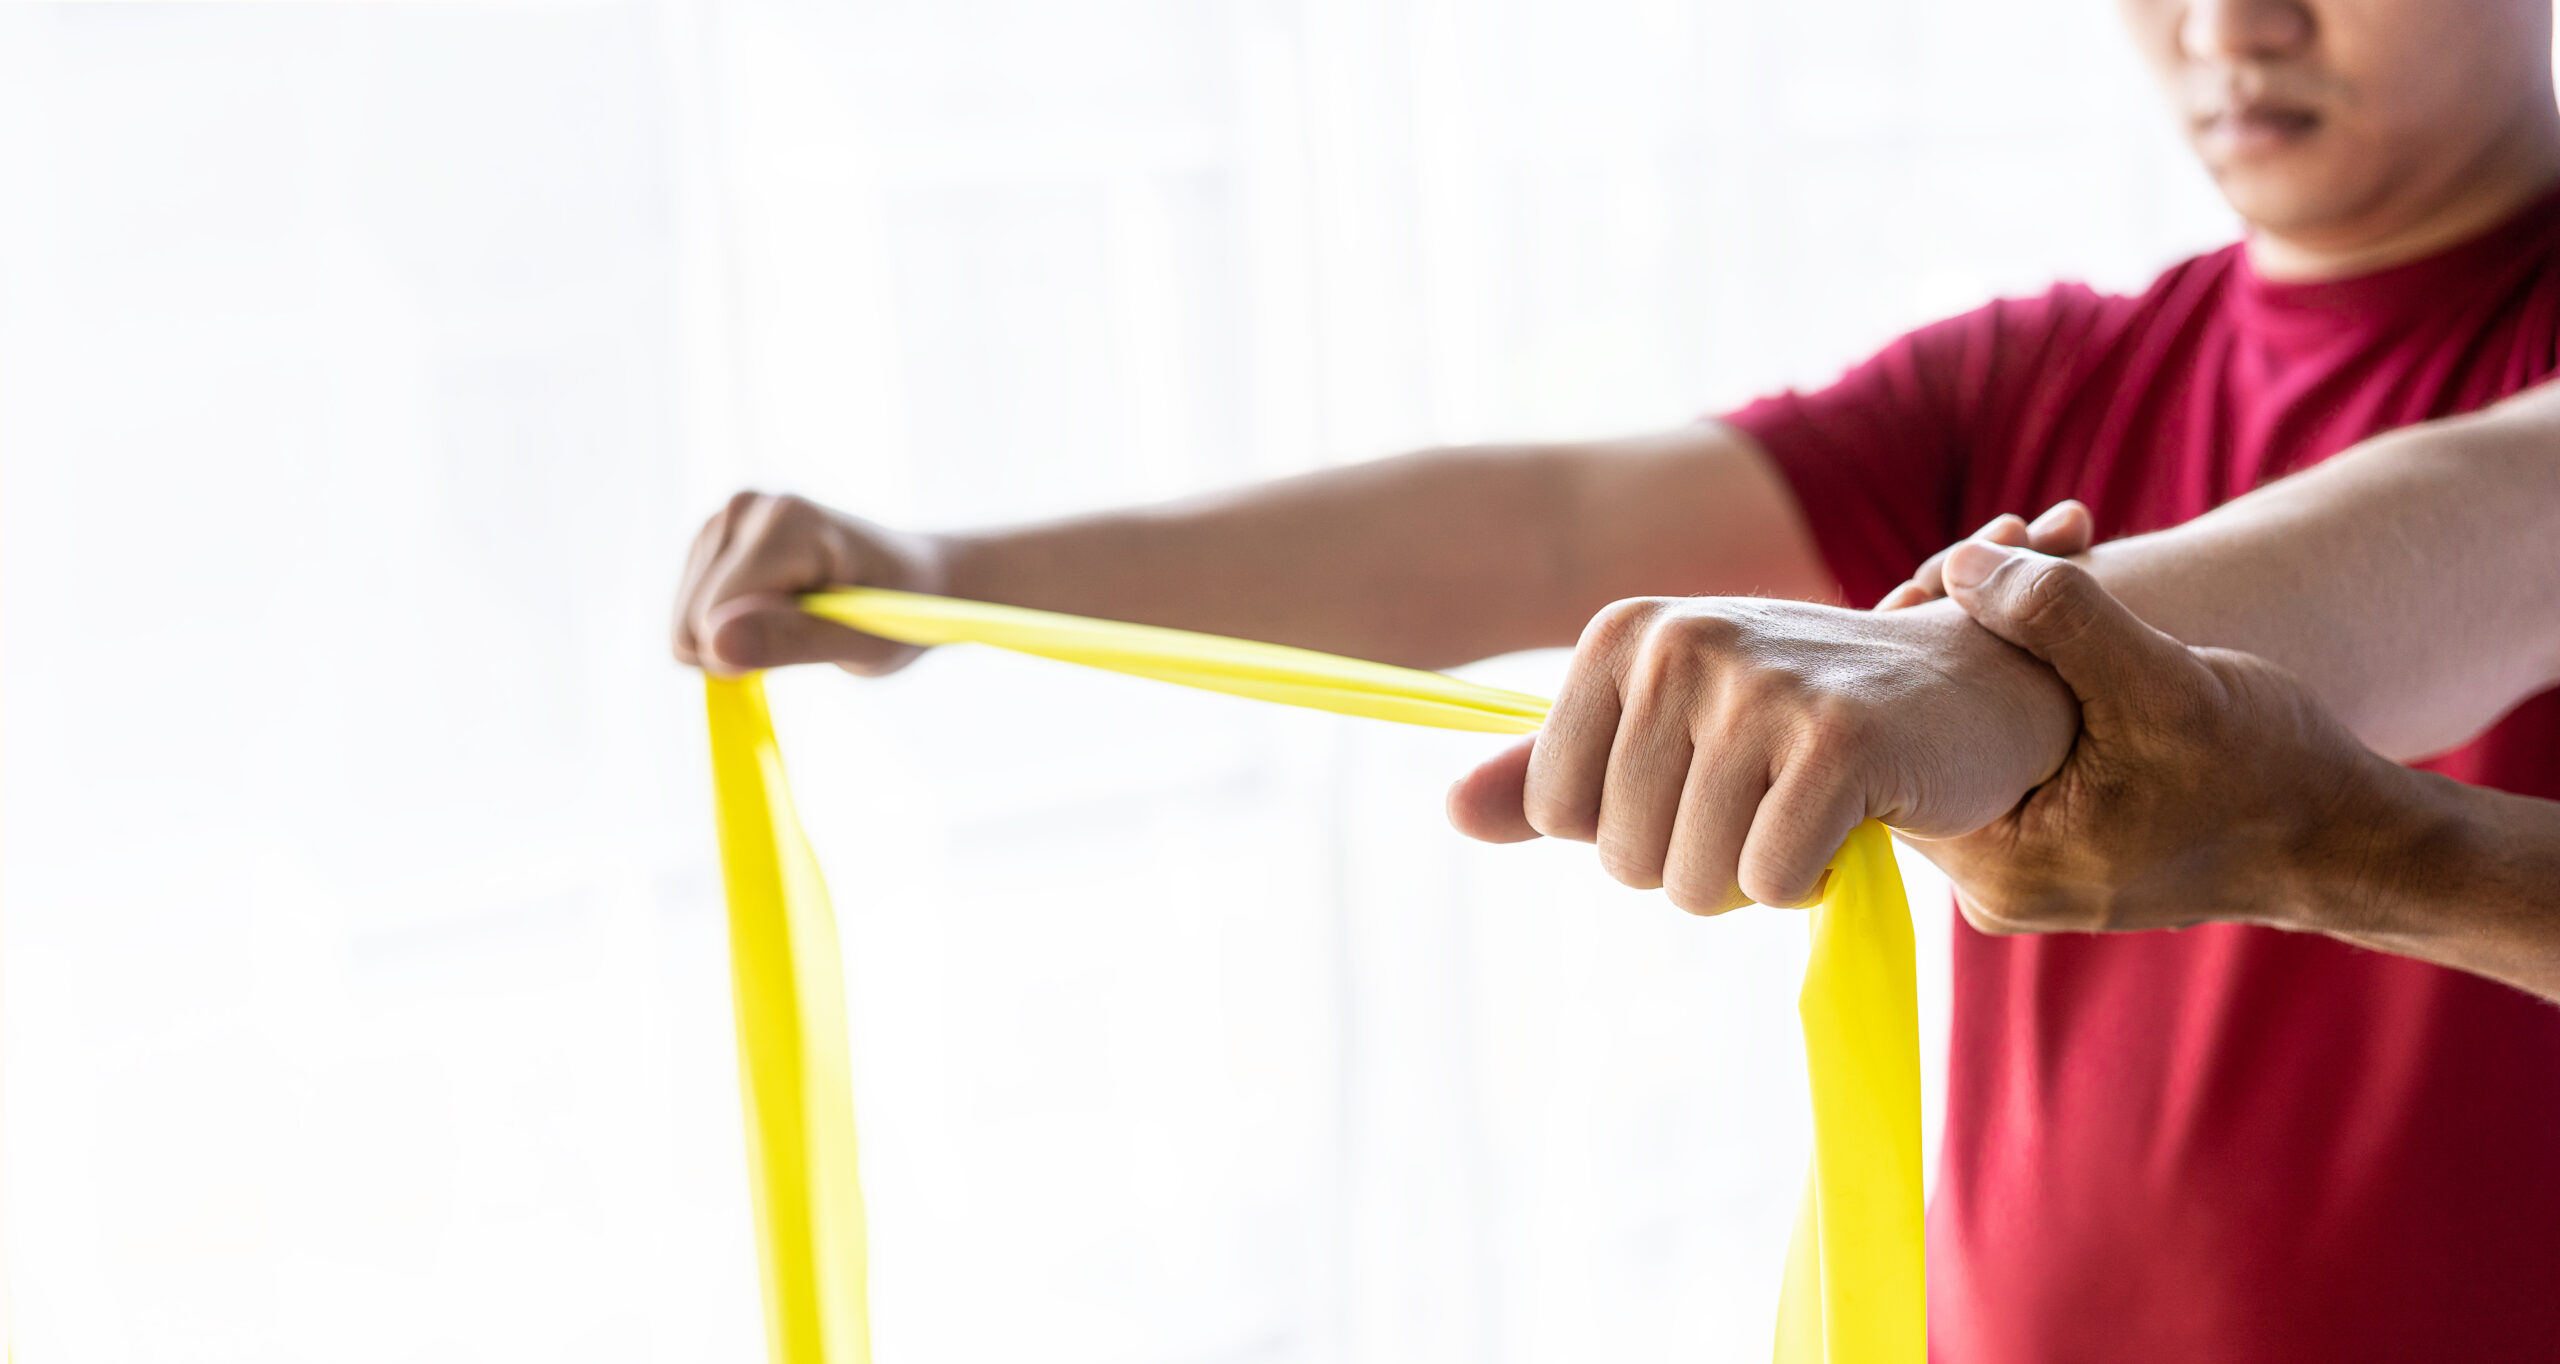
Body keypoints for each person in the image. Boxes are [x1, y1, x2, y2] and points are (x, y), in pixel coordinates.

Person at [673, 1, 2560, 1357]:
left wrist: (1983, 675)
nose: (2234, 23)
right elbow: (1549, 527)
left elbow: (2469, 529)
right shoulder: (2040, 376)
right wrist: (934, 580)